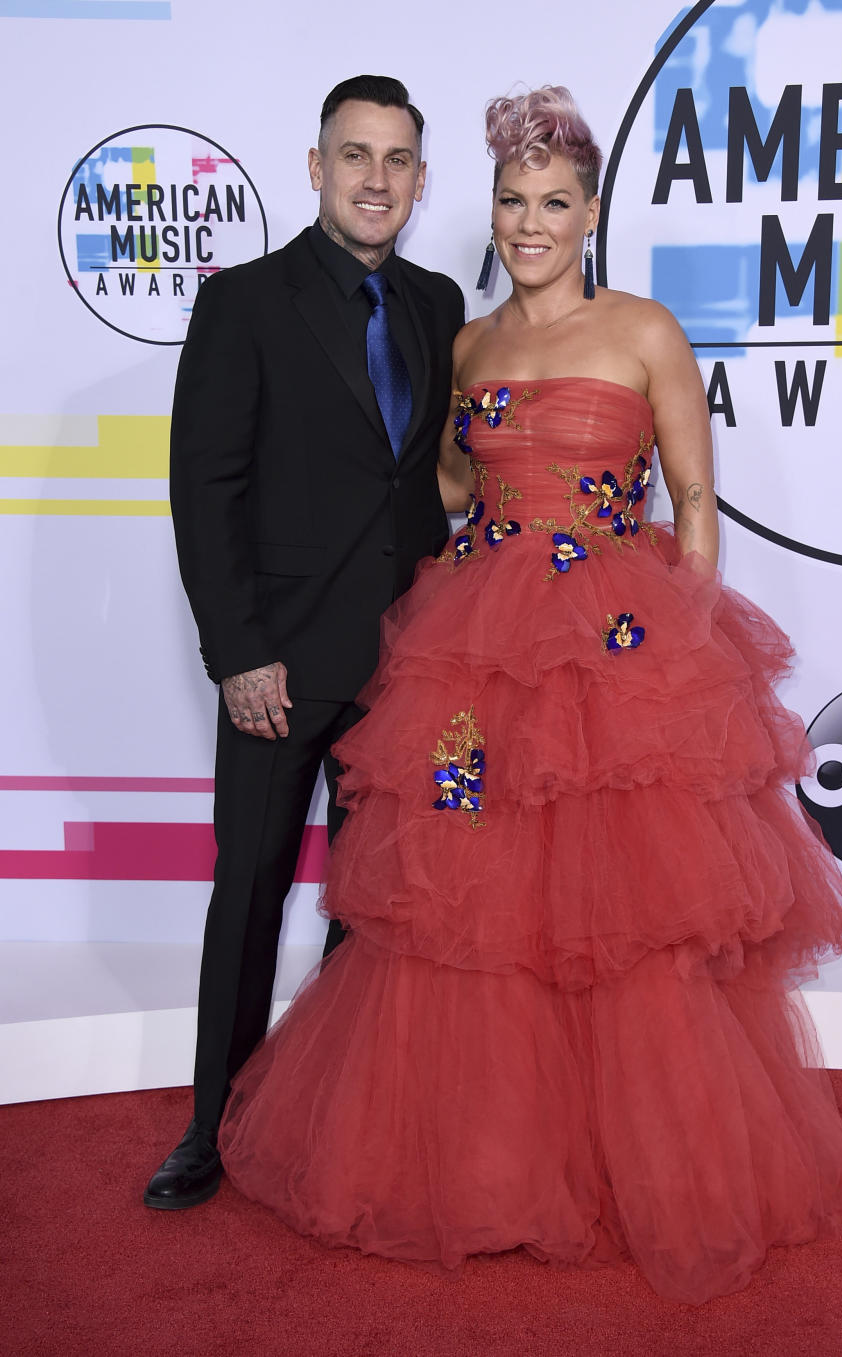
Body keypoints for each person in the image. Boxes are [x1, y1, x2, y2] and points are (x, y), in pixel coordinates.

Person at [217, 87, 842, 1302]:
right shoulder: (466, 344)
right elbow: (460, 483)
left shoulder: (644, 332)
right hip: (474, 658)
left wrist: (678, 651)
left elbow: (690, 502)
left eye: (554, 204)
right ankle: (489, 1159)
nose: (531, 224)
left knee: (616, 913)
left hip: (615, 655)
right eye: (514, 204)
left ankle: (638, 1164)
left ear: (590, 213)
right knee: (475, 906)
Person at [145, 75, 465, 1211]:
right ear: (315, 167)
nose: (375, 178)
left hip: (408, 663)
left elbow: (430, 479)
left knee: (374, 904)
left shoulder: (435, 303)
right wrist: (237, 651)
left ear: (421, 183)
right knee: (253, 891)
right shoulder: (246, 303)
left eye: (396, 161)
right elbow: (206, 487)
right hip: (279, 665)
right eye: (354, 155)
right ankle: (211, 1127)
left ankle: (335, 1116)